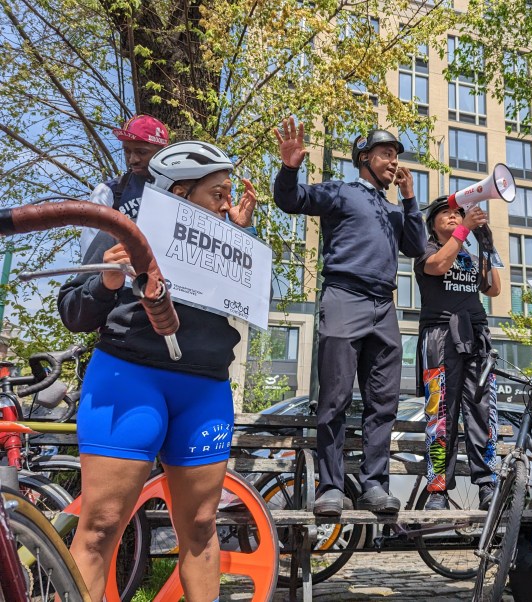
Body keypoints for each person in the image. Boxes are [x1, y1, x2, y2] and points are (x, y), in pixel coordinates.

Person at [58, 140, 257, 601]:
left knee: (202, 526)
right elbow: (72, 312)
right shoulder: (125, 228)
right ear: (181, 191)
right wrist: (106, 280)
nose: (228, 203)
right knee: (102, 525)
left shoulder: (229, 237)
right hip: (130, 377)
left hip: (205, 387)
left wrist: (240, 242)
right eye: (218, 193)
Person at [272, 117, 427, 516]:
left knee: (384, 402)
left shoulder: (394, 211)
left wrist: (410, 198)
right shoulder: (341, 192)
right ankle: (331, 486)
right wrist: (290, 168)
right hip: (344, 296)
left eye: (396, 156)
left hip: (384, 307)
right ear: (364, 158)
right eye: (386, 154)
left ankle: (374, 485)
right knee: (335, 398)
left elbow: (417, 247)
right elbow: (291, 201)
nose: (393, 162)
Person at [414, 197, 501, 511]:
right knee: (440, 414)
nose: (453, 217)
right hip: (440, 336)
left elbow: (493, 288)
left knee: (482, 411)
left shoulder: (470, 250)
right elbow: (438, 266)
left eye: (458, 214)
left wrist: (486, 244)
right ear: (433, 223)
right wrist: (464, 228)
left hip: (476, 335)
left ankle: (487, 485)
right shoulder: (425, 248)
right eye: (446, 214)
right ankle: (437, 490)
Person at [80, 114, 170, 257]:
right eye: (127, 151)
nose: (132, 160)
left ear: (163, 152)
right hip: (122, 275)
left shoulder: (179, 190)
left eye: (142, 152)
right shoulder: (108, 191)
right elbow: (90, 251)